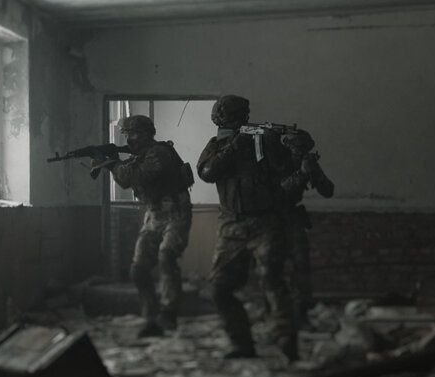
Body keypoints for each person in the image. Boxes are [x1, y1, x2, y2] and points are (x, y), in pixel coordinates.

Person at [196, 94, 299, 360]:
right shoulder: (217, 145)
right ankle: (241, 344)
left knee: (271, 280)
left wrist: (276, 143)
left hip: (265, 221)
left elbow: (286, 169)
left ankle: (286, 341)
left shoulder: (263, 140)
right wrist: (235, 146)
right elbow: (207, 173)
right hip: (231, 225)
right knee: (219, 288)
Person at [97, 115, 193, 337]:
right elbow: (125, 178)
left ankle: (169, 312)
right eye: (127, 134)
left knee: (166, 257)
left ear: (148, 133)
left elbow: (132, 178)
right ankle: (151, 317)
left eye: (135, 133)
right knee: (139, 269)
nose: (130, 139)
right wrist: (110, 162)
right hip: (154, 214)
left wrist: (111, 162)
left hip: (175, 212)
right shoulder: (140, 156)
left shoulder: (159, 153)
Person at [278, 130, 334, 327]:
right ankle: (276, 312)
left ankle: (301, 312)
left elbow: (328, 191)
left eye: (303, 148)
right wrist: (301, 173)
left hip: (293, 219)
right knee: (272, 268)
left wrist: (314, 173)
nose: (299, 151)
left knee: (301, 266)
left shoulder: (307, 162)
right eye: (295, 147)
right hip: (272, 218)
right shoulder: (277, 162)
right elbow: (278, 192)